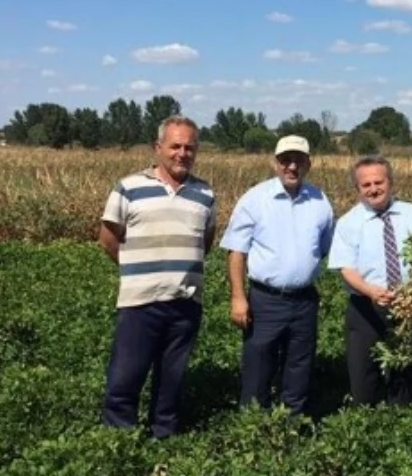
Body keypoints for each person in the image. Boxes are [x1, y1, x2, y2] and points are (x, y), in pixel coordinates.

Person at [98, 115, 217, 438]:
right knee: (125, 378)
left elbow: (204, 241)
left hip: (185, 302)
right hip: (140, 301)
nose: (182, 153)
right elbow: (109, 238)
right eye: (175, 146)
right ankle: (118, 441)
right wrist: (138, 271)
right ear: (158, 147)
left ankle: (164, 438)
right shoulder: (130, 187)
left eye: (189, 147)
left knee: (172, 381)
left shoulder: (205, 193)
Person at [220, 134, 335, 415]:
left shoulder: (320, 201)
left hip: (305, 300)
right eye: (285, 160)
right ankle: (254, 424)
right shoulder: (255, 199)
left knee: (299, 364)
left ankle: (292, 423)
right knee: (258, 363)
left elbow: (324, 248)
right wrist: (238, 297)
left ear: (309, 163)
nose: (292, 167)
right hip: (265, 299)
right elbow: (236, 251)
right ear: (275, 163)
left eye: (298, 160)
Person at [328, 155, 412, 406]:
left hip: (408, 305)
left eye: (378, 182)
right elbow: (346, 268)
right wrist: (370, 291)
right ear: (358, 188)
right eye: (366, 185)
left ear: (390, 182)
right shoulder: (348, 223)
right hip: (365, 305)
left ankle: (402, 420)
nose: (373, 189)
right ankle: (369, 423)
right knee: (364, 376)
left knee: (407, 371)